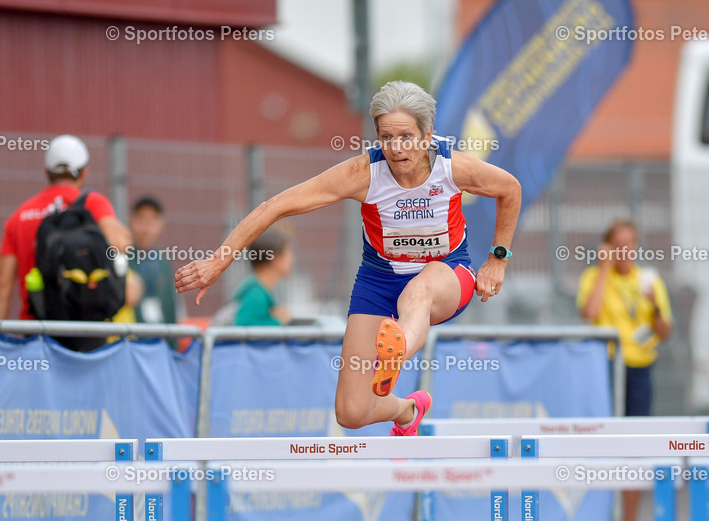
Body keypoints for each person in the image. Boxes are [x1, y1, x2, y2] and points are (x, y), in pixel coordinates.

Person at [176, 80, 521, 435]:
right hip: (380, 281)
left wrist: (498, 259)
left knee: (418, 291)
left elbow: (509, 189)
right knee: (352, 412)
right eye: (387, 138)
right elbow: (275, 206)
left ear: (428, 134)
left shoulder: (453, 167)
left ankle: (396, 353)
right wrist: (218, 261)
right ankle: (407, 410)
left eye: (406, 137)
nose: (396, 149)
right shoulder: (363, 174)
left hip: (446, 273)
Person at [577, 218, 673, 521]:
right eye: (617, 244)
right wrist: (604, 268)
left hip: (639, 369)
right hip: (606, 367)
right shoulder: (594, 277)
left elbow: (664, 331)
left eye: (629, 244)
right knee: (603, 443)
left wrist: (655, 304)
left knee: (636, 445)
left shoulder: (649, 279)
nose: (624, 251)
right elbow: (589, 313)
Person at [0, 134, 132, 349]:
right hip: (87, 333)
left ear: (46, 172)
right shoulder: (93, 204)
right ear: (84, 172)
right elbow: (121, 244)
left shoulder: (19, 216)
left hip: (36, 332)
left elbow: (3, 284)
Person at [127, 196, 185, 331]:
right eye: (141, 219)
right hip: (132, 336)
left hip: (162, 337)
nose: (146, 228)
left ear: (161, 223)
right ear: (131, 220)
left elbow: (173, 306)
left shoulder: (163, 262)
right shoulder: (122, 259)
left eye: (152, 221)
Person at [231, 231, 293, 326]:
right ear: (274, 258)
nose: (292, 259)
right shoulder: (256, 294)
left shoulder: (257, 289)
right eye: (287, 252)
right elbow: (243, 327)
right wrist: (278, 321)